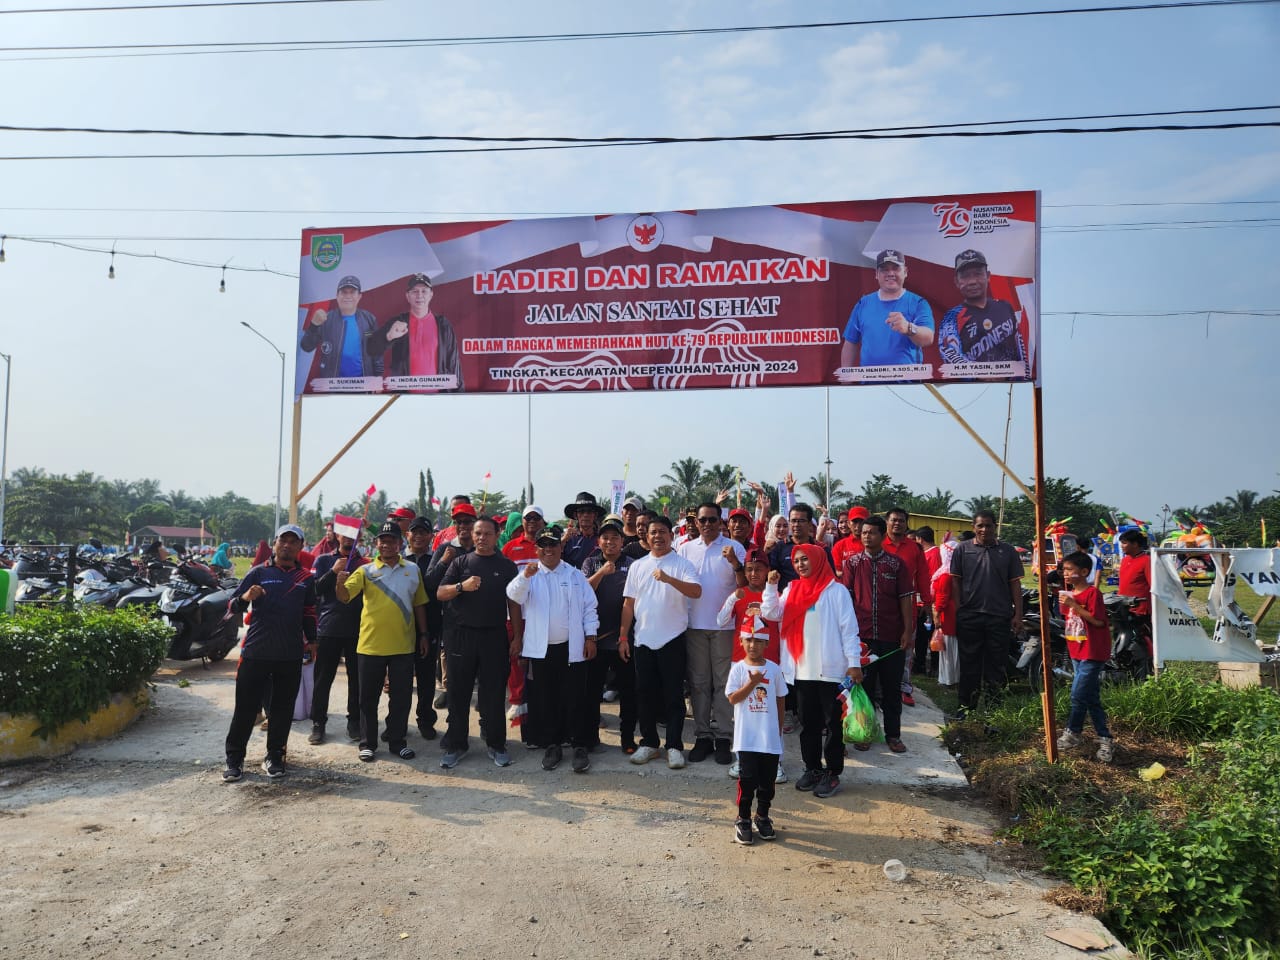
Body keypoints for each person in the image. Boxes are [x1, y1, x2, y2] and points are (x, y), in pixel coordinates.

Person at [760, 545, 861, 800]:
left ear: (817, 560)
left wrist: (854, 662)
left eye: (805, 559)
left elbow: (849, 629)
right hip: (802, 670)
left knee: (833, 725)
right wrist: (771, 588)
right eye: (796, 561)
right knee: (809, 724)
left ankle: (833, 772)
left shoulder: (835, 591)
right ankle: (813, 768)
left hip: (832, 672)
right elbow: (771, 613)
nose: (801, 564)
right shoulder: (792, 589)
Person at [222, 524, 317, 782]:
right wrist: (245, 598)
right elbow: (230, 608)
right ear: (274, 544)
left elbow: (309, 612)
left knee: (282, 709)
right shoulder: (258, 573)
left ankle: (274, 756)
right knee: (245, 708)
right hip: (256, 652)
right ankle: (234, 759)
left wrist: (313, 642)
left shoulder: (306, 578)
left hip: (289, 654)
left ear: (301, 546)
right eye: (282, 541)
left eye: (293, 542)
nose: (287, 545)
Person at [507, 524, 600, 773]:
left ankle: (579, 745)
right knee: (546, 699)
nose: (549, 550)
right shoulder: (529, 575)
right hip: (541, 651)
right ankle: (553, 745)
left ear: (561, 547)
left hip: (572, 648)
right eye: (544, 546)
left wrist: (591, 637)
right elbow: (513, 596)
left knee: (575, 698)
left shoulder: (574, 575)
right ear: (537, 549)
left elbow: (590, 607)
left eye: (553, 545)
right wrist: (524, 576)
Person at [336, 521, 429, 762]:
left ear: (400, 543)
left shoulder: (412, 569)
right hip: (370, 645)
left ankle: (398, 742)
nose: (386, 544)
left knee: (401, 698)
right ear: (376, 543)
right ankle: (368, 744)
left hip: (403, 646)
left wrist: (424, 634)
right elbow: (345, 597)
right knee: (368, 698)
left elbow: (419, 604)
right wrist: (339, 581)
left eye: (391, 540)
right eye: (382, 540)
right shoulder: (365, 571)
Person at [437, 515, 520, 769]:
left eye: (487, 533)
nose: (482, 538)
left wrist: (517, 636)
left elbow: (514, 603)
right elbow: (441, 592)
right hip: (461, 637)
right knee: (459, 693)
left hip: (493, 636)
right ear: (472, 536)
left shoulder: (506, 566)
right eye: (478, 533)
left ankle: (496, 744)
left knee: (493, 695)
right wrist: (462, 586)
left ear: (497, 536)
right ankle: (456, 745)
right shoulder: (461, 562)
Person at [619, 515, 702, 769]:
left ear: (671, 535)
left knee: (673, 696)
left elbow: (696, 592)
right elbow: (628, 604)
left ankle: (674, 745)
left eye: (663, 532)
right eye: (653, 532)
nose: (657, 536)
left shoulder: (682, 564)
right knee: (645, 694)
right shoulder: (638, 566)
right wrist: (623, 635)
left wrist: (668, 579)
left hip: (673, 638)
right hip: (643, 639)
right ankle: (650, 743)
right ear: (646, 535)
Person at [679, 502, 746, 765]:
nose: (707, 524)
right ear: (696, 522)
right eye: (702, 520)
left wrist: (735, 564)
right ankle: (703, 734)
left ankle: (724, 737)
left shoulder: (734, 548)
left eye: (712, 520)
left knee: (722, 683)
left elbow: (743, 585)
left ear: (722, 522)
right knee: (698, 683)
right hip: (694, 626)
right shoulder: (684, 549)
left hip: (724, 627)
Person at [840, 516, 913, 753]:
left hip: (891, 635)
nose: (866, 536)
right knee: (864, 687)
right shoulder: (852, 563)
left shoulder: (896, 564)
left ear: (883, 536)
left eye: (871, 533)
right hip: (862, 638)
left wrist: (907, 630)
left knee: (892, 688)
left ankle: (893, 735)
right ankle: (866, 732)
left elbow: (905, 599)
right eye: (863, 533)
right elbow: (847, 599)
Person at [949, 510, 1024, 715]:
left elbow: (1015, 584)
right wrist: (959, 609)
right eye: (980, 525)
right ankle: (966, 709)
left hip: (999, 616)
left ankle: (993, 713)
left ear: (995, 527)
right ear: (974, 527)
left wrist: (1018, 614)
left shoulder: (1008, 551)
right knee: (969, 666)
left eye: (988, 525)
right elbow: (955, 581)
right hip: (970, 616)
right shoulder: (962, 550)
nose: (984, 529)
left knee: (996, 668)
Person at [725, 631, 788, 845]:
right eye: (749, 640)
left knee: (767, 782)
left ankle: (762, 816)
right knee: (748, 779)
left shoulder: (774, 669)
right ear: (741, 642)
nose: (753, 645)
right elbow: (733, 698)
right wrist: (752, 684)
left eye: (759, 641)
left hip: (769, 739)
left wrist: (777, 730)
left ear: (767, 643)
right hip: (747, 738)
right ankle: (742, 818)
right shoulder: (738, 669)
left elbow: (780, 699)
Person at [583, 515, 639, 753]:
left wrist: (625, 636)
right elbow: (583, 592)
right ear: (599, 540)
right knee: (592, 691)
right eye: (605, 538)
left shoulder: (632, 563)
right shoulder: (591, 562)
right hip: (596, 638)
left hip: (624, 639)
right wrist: (602, 573)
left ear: (622, 540)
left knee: (628, 691)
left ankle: (628, 738)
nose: (610, 542)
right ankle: (590, 737)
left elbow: (634, 599)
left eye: (614, 538)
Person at [1056, 552, 1115, 763]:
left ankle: (1073, 732)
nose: (1066, 574)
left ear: (1084, 572)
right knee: (1090, 697)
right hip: (1076, 650)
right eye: (1064, 570)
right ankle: (1105, 738)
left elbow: (1098, 622)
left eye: (1070, 570)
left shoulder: (1092, 594)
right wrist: (1067, 603)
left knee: (1077, 694)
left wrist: (1074, 606)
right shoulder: (1068, 593)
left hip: (1093, 651)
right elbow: (1071, 621)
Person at [308, 532, 367, 744]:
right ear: (338, 536)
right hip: (328, 627)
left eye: (354, 535)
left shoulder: (365, 563)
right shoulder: (323, 559)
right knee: (323, 679)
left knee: (356, 680)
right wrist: (333, 572)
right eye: (345, 534)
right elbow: (315, 589)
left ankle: (354, 721)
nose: (349, 539)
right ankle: (318, 723)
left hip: (358, 629)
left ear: (360, 537)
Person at [365, 273, 463, 391]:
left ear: (431, 294)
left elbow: (453, 363)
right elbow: (371, 348)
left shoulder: (443, 325)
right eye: (414, 291)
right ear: (407, 296)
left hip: (438, 398)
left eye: (424, 291)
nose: (419, 295)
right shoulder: (398, 322)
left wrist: (459, 395)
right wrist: (388, 336)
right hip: (403, 398)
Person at [838, 250, 934, 369]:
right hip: (869, 383)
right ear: (877, 274)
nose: (890, 273)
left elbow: (928, 338)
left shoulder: (918, 303)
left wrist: (908, 328)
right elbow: (850, 343)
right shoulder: (863, 303)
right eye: (885, 269)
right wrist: (846, 382)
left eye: (895, 268)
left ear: (905, 272)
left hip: (908, 384)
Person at [937, 249, 1027, 372]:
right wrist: (979, 373)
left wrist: (1022, 375)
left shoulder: (1005, 307)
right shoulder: (952, 317)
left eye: (978, 274)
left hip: (1010, 384)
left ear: (988, 276)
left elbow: (1021, 349)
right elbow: (949, 353)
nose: (972, 281)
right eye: (965, 276)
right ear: (957, 282)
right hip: (974, 386)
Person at [882, 507, 932, 707]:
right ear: (887, 522)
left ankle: (904, 687)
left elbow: (922, 577)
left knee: (906, 649)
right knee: (880, 648)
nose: (897, 524)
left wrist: (926, 602)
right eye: (893, 520)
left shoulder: (914, 548)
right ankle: (879, 689)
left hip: (907, 607)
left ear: (906, 523)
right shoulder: (877, 543)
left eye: (901, 521)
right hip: (881, 607)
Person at [299, 275, 382, 381]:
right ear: (337, 295)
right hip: (332, 385)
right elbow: (306, 347)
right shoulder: (326, 319)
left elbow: (376, 351)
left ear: (359, 296)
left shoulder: (369, 319)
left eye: (352, 292)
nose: (348, 296)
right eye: (344, 292)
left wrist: (378, 377)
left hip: (363, 385)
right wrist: (313, 325)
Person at [405, 517, 440, 739]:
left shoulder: (435, 561)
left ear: (430, 536)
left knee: (426, 678)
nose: (418, 536)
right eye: (414, 532)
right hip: (401, 628)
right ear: (407, 535)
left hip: (430, 626)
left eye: (423, 532)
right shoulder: (397, 560)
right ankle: (396, 722)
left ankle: (425, 720)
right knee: (401, 679)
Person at [562, 492, 606, 568]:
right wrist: (563, 541)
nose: (585, 515)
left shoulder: (603, 538)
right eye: (581, 511)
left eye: (589, 511)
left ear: (595, 515)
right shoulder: (567, 538)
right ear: (575, 515)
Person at [1117, 529, 1151, 618]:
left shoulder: (1147, 560)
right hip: (1123, 606)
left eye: (1124, 543)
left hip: (1140, 609)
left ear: (1135, 544)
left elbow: (1153, 585)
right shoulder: (1125, 560)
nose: (1121, 546)